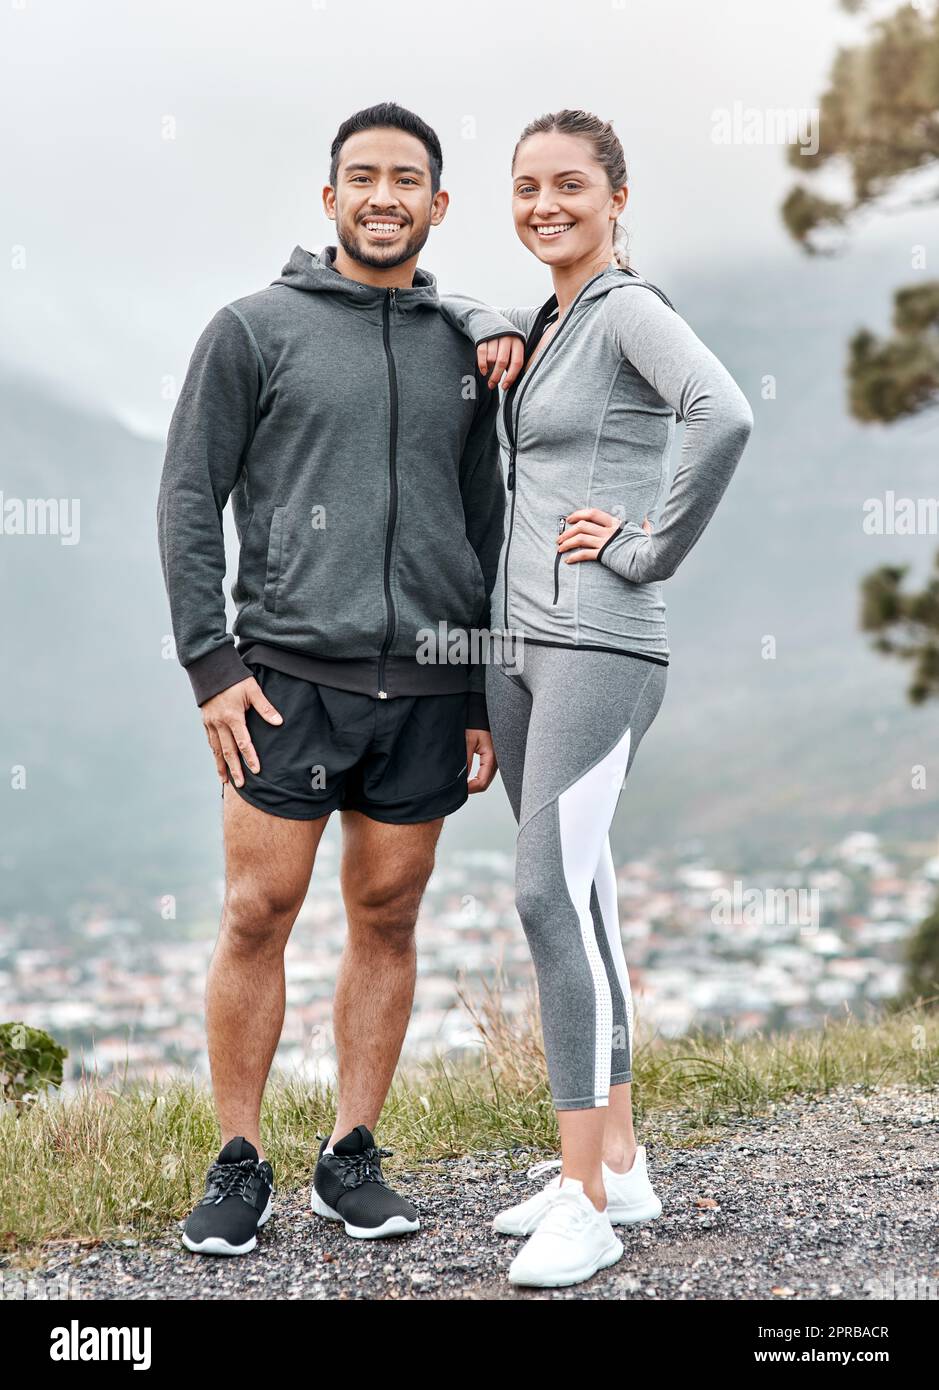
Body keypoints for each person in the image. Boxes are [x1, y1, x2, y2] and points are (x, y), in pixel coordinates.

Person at [157, 102, 523, 1256]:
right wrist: (211, 662)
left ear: (437, 204)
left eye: (405, 178)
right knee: (258, 912)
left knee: (389, 915)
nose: (382, 195)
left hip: (424, 686)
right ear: (329, 199)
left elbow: (485, 520)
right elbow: (186, 498)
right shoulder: (252, 329)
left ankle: (349, 1151)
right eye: (361, 176)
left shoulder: (463, 344)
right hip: (282, 679)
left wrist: (476, 686)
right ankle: (239, 1159)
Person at [440, 108, 754, 1288]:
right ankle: (617, 1156)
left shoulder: (628, 310)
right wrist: (486, 321)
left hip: (603, 642)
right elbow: (461, 309)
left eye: (569, 185)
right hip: (520, 649)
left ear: (616, 198)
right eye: (526, 187)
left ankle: (585, 1204)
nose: (544, 205)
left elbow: (724, 413)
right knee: (591, 897)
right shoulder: (544, 319)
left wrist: (648, 543)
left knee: (540, 895)